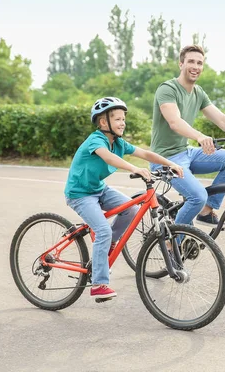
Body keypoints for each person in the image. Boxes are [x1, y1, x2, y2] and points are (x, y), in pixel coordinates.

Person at [65, 97, 184, 300]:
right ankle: (99, 284)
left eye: (123, 119)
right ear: (104, 123)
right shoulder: (96, 140)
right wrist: (134, 168)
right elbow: (109, 158)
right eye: (118, 119)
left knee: (131, 209)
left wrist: (169, 163)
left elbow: (145, 153)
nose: (122, 123)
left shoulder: (118, 143)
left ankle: (109, 242)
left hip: (99, 189)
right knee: (102, 230)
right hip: (80, 194)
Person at [150, 44, 225, 228]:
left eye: (200, 63)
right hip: (165, 159)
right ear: (181, 64)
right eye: (191, 61)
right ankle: (171, 244)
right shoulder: (167, 89)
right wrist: (200, 136)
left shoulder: (198, 93)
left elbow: (222, 120)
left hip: (186, 153)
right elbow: (174, 121)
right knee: (197, 196)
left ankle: (206, 211)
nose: (195, 66)